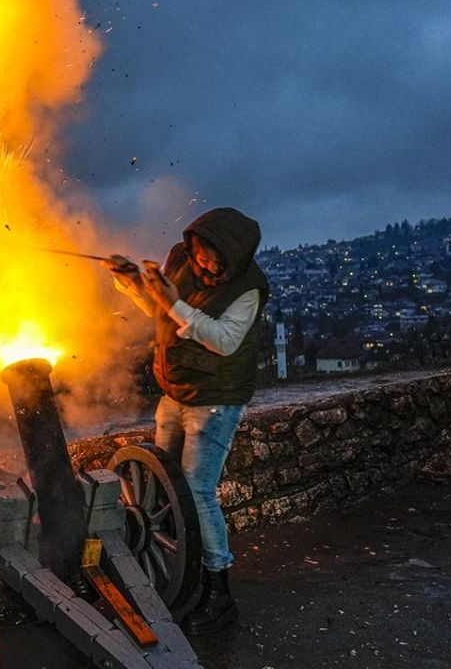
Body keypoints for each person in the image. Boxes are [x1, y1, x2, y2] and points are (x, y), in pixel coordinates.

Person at [103, 207, 270, 635]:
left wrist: (172, 300)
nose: (204, 264)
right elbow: (160, 312)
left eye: (215, 259)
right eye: (200, 253)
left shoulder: (248, 289)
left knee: (196, 491)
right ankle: (180, 570)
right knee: (163, 485)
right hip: (175, 391)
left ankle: (219, 593)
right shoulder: (181, 258)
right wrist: (131, 282)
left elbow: (223, 341)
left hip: (216, 399)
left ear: (233, 258)